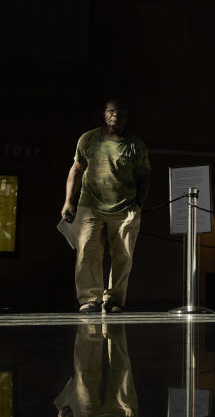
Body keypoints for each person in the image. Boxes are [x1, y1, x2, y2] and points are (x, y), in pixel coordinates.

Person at [61, 100, 150, 314]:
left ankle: (114, 300)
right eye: (111, 111)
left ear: (126, 117)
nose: (115, 116)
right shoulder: (88, 139)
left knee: (123, 256)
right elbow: (75, 170)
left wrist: (138, 205)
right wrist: (68, 201)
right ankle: (89, 299)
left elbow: (144, 176)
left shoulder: (135, 144)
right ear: (104, 114)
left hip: (125, 209)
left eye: (120, 112)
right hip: (90, 206)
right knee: (87, 254)